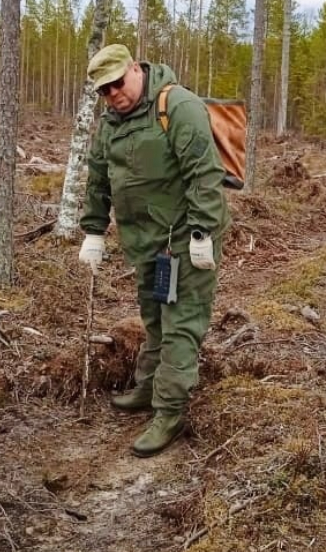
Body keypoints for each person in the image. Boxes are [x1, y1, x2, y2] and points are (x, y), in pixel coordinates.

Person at [78, 43, 230, 457]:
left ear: (134, 69)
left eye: (117, 84)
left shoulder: (178, 106)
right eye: (103, 91)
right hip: (146, 240)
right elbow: (98, 178)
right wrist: (93, 230)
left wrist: (201, 233)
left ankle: (170, 410)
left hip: (185, 237)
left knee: (180, 322)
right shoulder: (110, 123)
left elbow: (204, 173)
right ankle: (148, 385)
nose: (113, 95)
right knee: (154, 314)